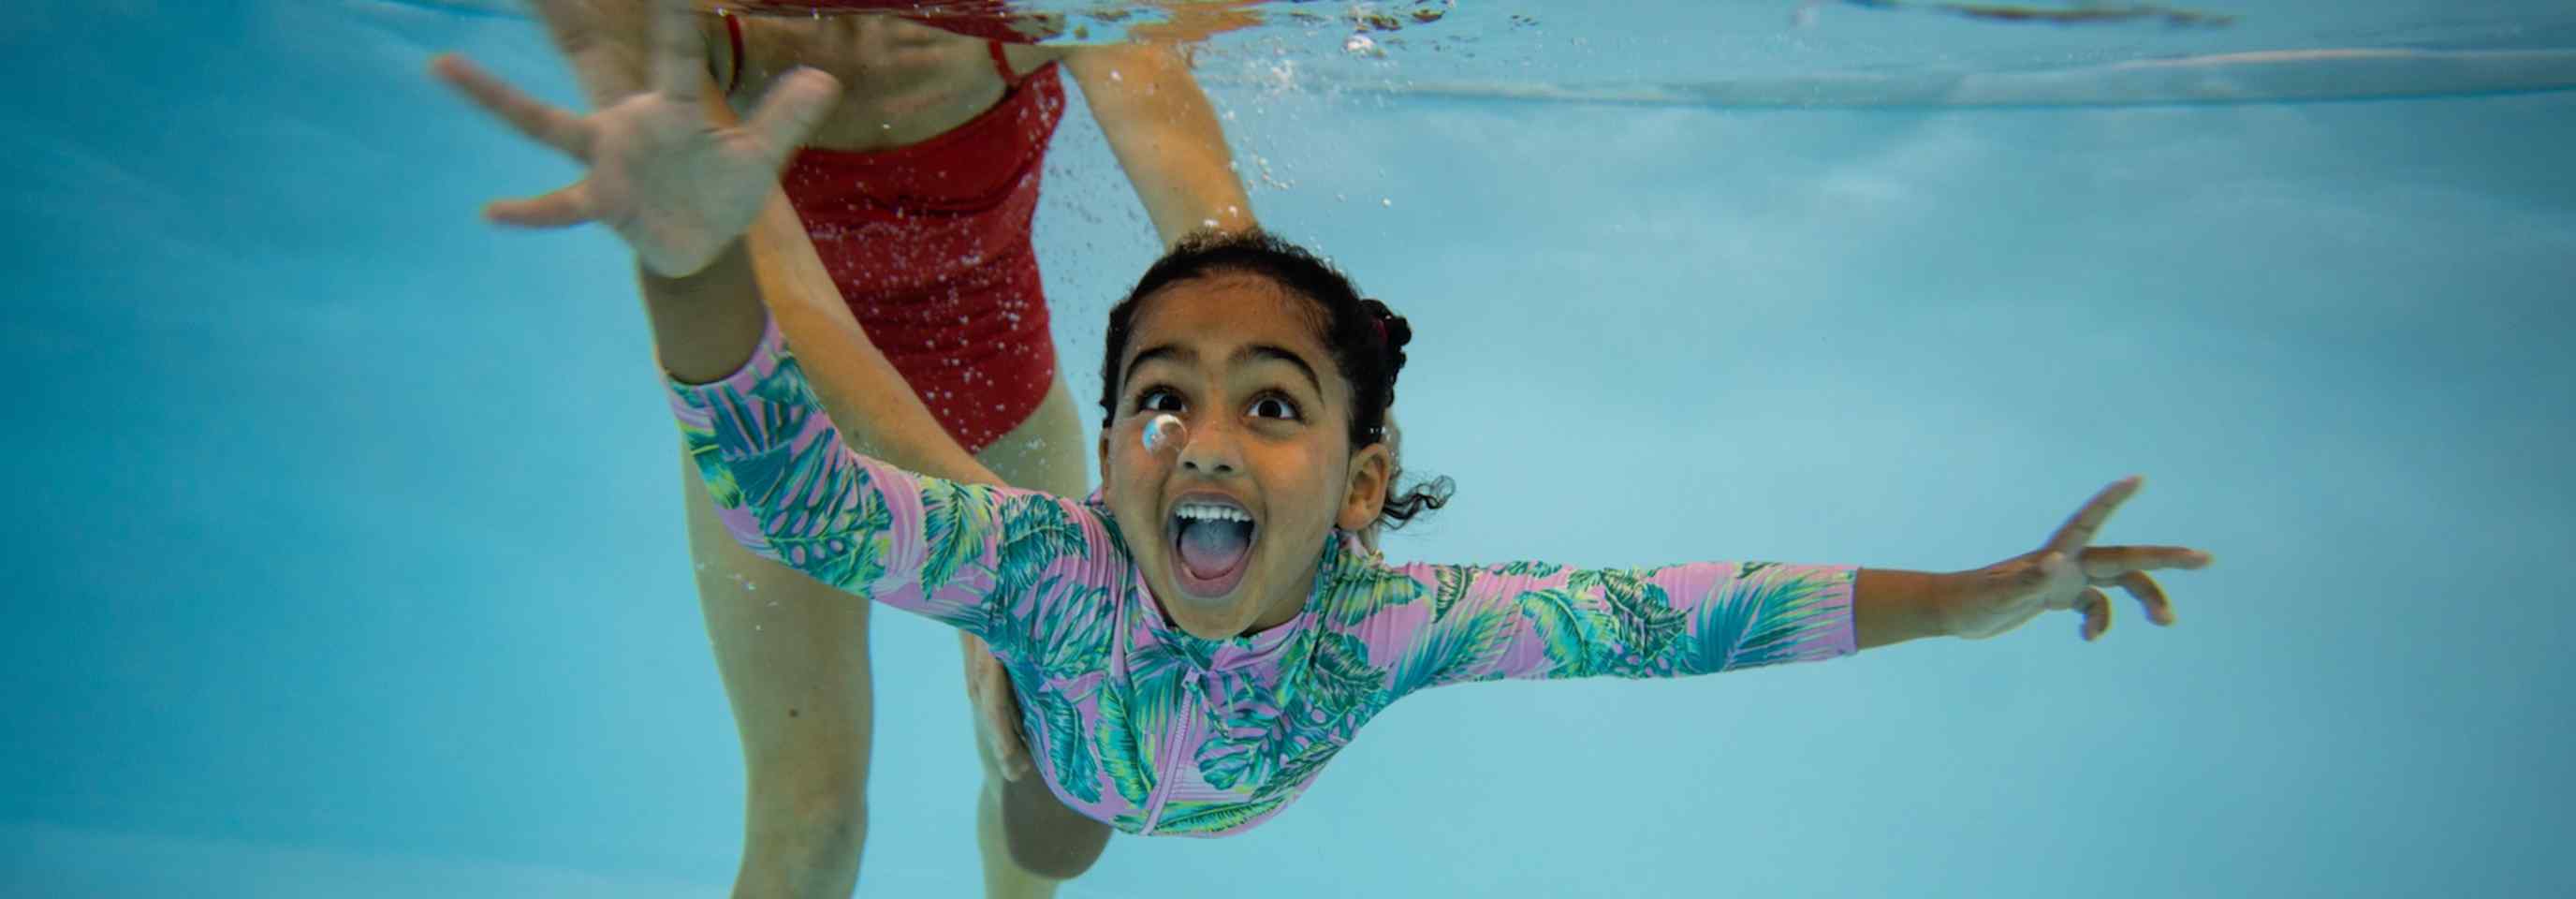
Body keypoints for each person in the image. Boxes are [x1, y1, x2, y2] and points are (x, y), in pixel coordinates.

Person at [434, 0, 2214, 853]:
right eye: (1179, 408)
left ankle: (1037, 811)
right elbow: (804, 469)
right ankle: (1044, 773)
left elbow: (1686, 620)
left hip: (1036, 450)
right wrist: (689, 265)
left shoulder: (1388, 613)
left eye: (1276, 415)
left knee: (1041, 814)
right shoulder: (681, 32)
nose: (1209, 438)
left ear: (1365, 484)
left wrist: (1976, 598)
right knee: (818, 818)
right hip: (839, 379)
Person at [504, 1, 1253, 895]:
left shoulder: (1039, 8)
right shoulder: (675, 23)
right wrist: (1015, 554)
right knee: (809, 819)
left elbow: (1220, 246)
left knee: (1041, 776)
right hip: (780, 450)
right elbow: (794, 321)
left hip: (1007, 421)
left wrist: (1330, 381)